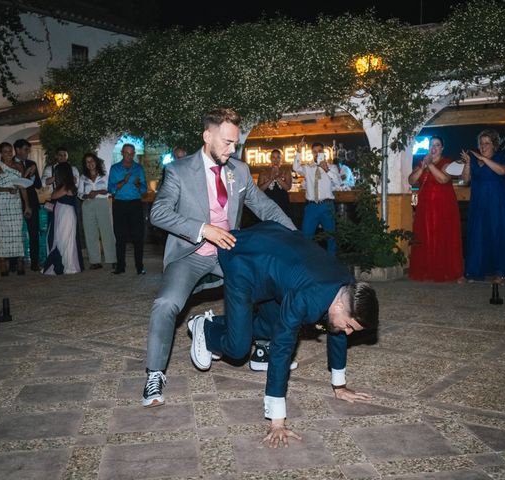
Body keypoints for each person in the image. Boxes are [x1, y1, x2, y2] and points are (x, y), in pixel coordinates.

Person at [142, 107, 295, 408]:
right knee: (166, 304)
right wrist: (203, 229)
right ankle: (155, 373)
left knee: (271, 283)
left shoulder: (238, 171)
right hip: (191, 254)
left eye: (235, 143)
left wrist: (296, 238)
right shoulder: (179, 171)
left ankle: (262, 347)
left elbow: (266, 208)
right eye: (226, 142)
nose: (232, 149)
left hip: (229, 252)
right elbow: (158, 213)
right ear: (207, 136)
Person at [188, 221, 379, 448]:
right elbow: (282, 348)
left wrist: (339, 386)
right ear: (338, 306)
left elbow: (336, 331)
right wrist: (277, 421)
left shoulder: (348, 289)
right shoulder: (307, 298)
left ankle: (223, 323)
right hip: (245, 260)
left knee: (272, 328)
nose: (348, 332)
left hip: (277, 255)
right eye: (349, 326)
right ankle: (205, 327)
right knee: (238, 349)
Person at [461, 129, 505, 283]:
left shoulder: (500, 157)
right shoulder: (474, 159)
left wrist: (483, 159)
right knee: (478, 235)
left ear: (494, 145)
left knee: (499, 234)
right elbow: (465, 179)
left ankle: (501, 272)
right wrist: (467, 163)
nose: (483, 146)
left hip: (499, 203)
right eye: (481, 143)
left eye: (487, 143)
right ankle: (473, 271)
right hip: (479, 203)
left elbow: (501, 171)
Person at [408, 136, 463, 282]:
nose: (434, 148)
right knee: (425, 236)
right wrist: (422, 167)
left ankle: (445, 270)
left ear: (442, 148)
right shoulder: (422, 163)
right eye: (431, 145)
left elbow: (443, 179)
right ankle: (427, 269)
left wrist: (430, 165)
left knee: (443, 236)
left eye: (437, 145)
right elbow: (411, 180)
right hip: (425, 207)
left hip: (444, 206)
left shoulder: (447, 162)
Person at [0, 142, 32, 276]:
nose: (8, 154)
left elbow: (22, 187)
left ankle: (20, 261)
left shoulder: (19, 166)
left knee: (16, 232)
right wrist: (6, 189)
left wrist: (27, 205)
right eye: (5, 151)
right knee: (1, 233)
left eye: (10, 151)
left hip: (15, 203)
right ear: (1, 153)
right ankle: (3, 262)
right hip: (0, 204)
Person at [293, 139, 341, 255]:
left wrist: (327, 170)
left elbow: (338, 182)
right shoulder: (308, 168)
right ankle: (308, 265)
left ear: (324, 152)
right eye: (314, 151)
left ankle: (332, 264)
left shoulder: (332, 167)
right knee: (306, 237)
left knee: (331, 237)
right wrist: (299, 151)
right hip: (311, 207)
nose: (317, 153)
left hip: (327, 206)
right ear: (312, 153)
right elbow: (295, 168)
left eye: (319, 151)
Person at [108, 143, 147, 274]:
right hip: (119, 204)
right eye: (127, 153)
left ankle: (139, 266)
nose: (129, 156)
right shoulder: (115, 169)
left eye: (131, 153)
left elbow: (144, 190)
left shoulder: (139, 168)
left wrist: (138, 184)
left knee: (138, 237)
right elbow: (111, 189)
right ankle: (120, 267)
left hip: (135, 204)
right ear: (122, 153)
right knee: (120, 237)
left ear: (134, 153)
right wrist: (124, 181)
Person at [42, 162, 83, 275]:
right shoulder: (67, 185)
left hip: (66, 214)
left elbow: (53, 196)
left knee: (64, 238)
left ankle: (68, 264)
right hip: (62, 212)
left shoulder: (66, 186)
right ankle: (66, 263)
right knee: (61, 237)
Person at [78, 153, 116, 270]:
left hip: (103, 203)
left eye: (92, 161)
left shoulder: (104, 175)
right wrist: (86, 196)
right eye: (87, 162)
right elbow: (79, 194)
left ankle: (112, 259)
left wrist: (98, 192)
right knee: (90, 232)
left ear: (96, 161)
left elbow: (110, 190)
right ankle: (95, 261)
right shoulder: (83, 177)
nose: (90, 164)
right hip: (88, 204)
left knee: (107, 231)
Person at [13, 139, 42, 271]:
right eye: (25, 149)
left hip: (32, 201)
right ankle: (14, 264)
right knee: (15, 233)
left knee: (34, 232)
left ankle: (35, 262)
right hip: (15, 202)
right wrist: (26, 173)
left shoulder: (32, 163)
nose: (27, 152)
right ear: (18, 150)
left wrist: (33, 175)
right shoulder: (10, 163)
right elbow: (15, 185)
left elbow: (38, 185)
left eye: (28, 150)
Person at [257, 149, 292, 216]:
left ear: (281, 159)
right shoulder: (264, 172)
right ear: (270, 159)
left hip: (283, 203)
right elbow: (260, 189)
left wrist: (277, 178)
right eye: (273, 157)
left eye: (278, 157)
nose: (275, 160)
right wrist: (271, 179)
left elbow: (288, 188)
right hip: (268, 203)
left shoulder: (286, 171)